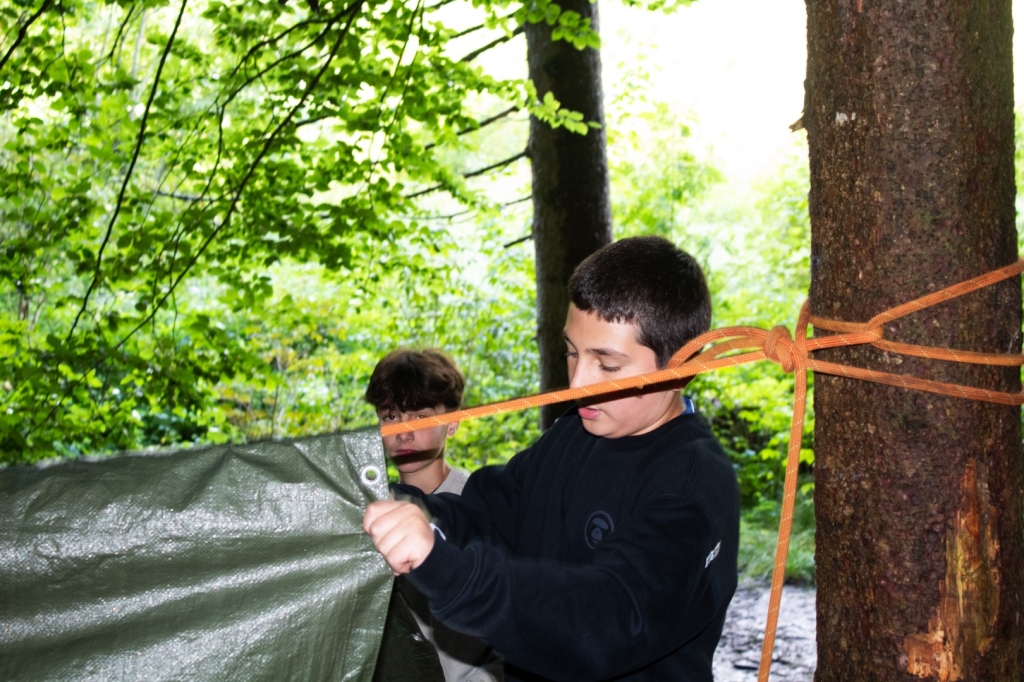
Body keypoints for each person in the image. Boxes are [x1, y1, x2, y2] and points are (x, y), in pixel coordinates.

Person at [363, 236, 741, 681]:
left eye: (608, 365)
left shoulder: (692, 488)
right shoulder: (574, 435)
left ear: (682, 368)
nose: (577, 383)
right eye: (572, 353)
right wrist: (400, 508)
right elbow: (487, 513)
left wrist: (444, 567)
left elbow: (603, 620)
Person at [364, 348, 504, 682]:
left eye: (420, 417)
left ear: (452, 421)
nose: (404, 432)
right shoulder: (372, 513)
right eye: (391, 416)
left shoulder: (482, 503)